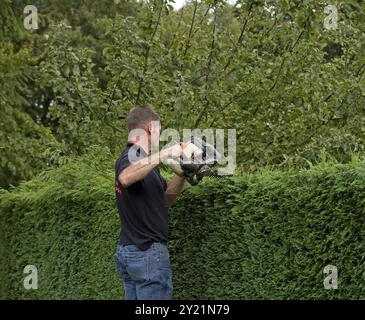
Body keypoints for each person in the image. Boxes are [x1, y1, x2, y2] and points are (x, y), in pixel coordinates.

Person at [114, 105, 186, 300]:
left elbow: (166, 198)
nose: (159, 136)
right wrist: (164, 154)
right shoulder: (132, 155)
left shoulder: (146, 164)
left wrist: (185, 172)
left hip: (135, 253)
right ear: (150, 129)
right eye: (159, 131)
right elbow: (126, 178)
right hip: (147, 254)